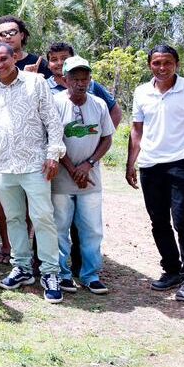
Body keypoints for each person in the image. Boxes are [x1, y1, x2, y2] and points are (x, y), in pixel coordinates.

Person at [0, 43, 67, 303]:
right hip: (3, 166)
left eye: (4, 59)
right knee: (14, 218)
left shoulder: (36, 83)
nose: (0, 65)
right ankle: (22, 267)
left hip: (36, 164)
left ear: (14, 57)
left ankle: (50, 273)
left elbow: (52, 121)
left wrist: (52, 155)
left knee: (43, 218)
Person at [126, 45, 184, 303]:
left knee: (183, 221)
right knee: (158, 221)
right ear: (149, 65)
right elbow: (136, 130)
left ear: (176, 63)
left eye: (167, 63)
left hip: (181, 164)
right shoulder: (142, 92)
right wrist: (130, 163)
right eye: (156, 63)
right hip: (150, 165)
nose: (162, 68)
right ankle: (171, 270)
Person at [52, 56, 115, 295]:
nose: (80, 83)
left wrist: (88, 165)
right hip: (61, 178)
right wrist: (72, 168)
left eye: (85, 78)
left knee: (91, 229)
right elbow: (53, 140)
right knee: (60, 228)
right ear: (65, 79)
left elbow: (107, 137)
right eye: (75, 79)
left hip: (90, 178)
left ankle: (90, 274)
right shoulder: (55, 103)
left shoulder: (98, 104)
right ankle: (62, 274)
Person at [46, 42, 123, 128]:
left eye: (64, 58)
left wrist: (106, 136)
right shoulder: (44, 87)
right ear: (48, 65)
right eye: (54, 59)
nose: (59, 63)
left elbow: (115, 111)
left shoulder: (91, 84)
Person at [0, 15, 52, 89]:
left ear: (22, 35)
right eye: (3, 34)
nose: (8, 36)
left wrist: (35, 81)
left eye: (13, 32)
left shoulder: (38, 63)